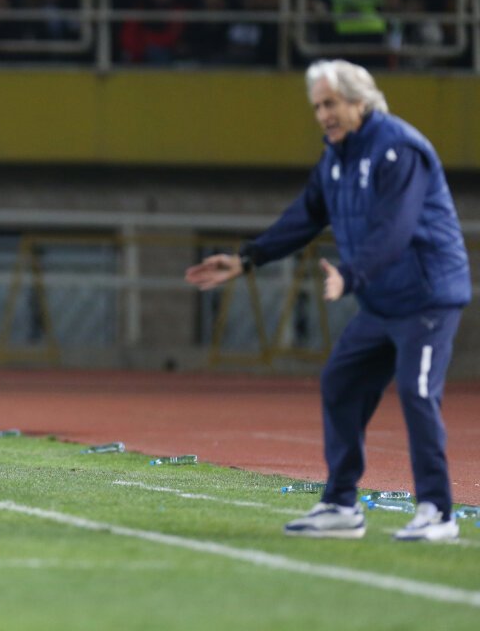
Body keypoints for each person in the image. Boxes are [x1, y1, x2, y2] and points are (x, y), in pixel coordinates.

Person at [185, 59, 470, 543]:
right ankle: (340, 505)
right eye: (317, 106)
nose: (322, 115)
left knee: (416, 392)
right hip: (382, 300)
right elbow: (306, 215)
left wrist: (351, 276)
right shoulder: (336, 156)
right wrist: (248, 258)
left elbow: (396, 229)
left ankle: (437, 511)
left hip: (426, 297)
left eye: (330, 104)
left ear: (360, 101)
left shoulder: (399, 148)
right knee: (341, 381)